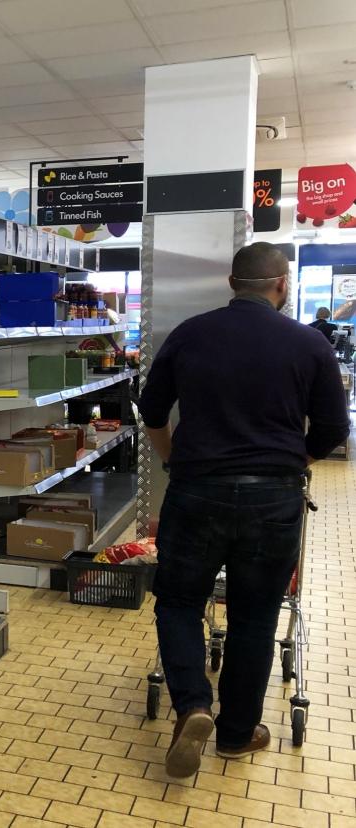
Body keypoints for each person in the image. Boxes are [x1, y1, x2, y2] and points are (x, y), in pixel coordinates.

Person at [139, 242, 350, 777]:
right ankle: (236, 735)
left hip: (196, 491)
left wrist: (173, 461)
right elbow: (333, 431)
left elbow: (153, 408)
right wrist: (289, 462)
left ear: (233, 284)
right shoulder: (308, 343)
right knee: (256, 616)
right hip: (273, 500)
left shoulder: (191, 334)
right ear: (282, 284)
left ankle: (192, 705)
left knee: (179, 602)